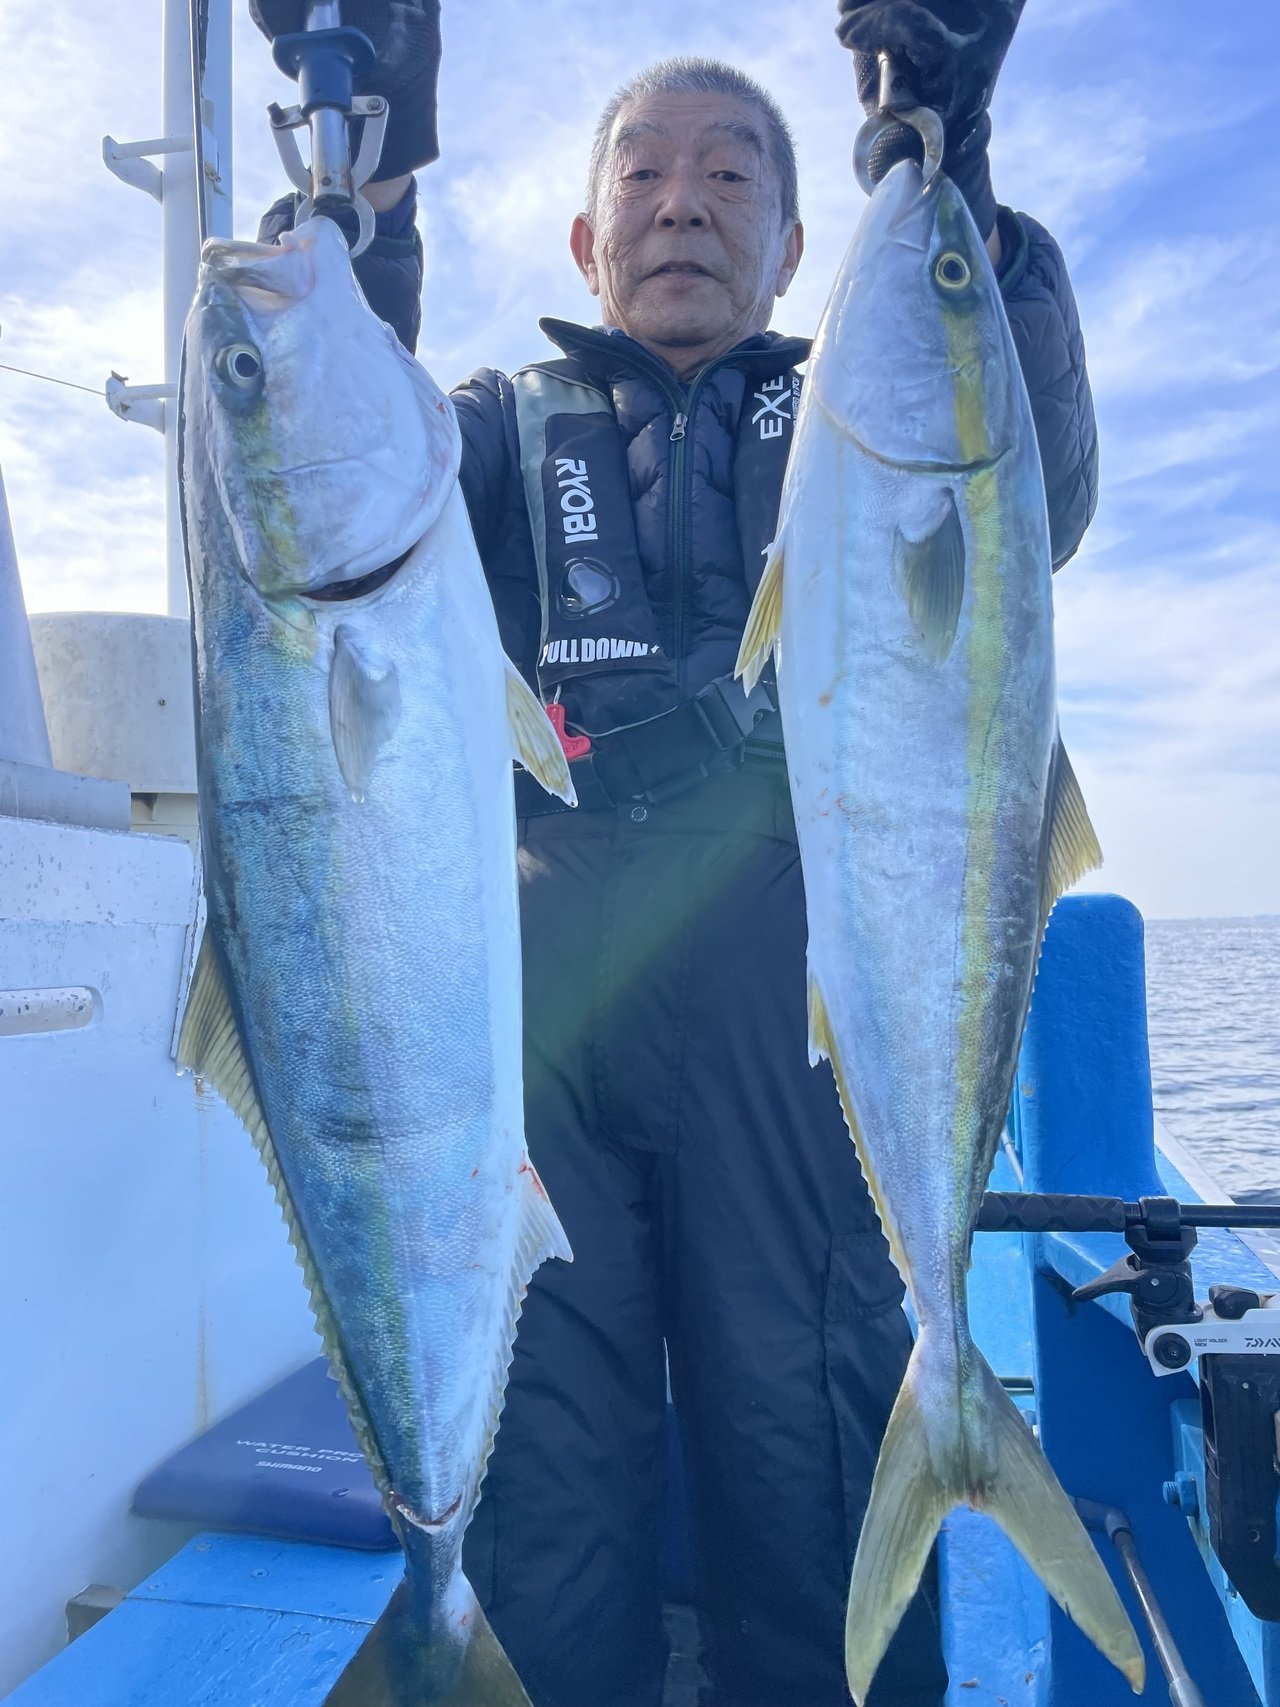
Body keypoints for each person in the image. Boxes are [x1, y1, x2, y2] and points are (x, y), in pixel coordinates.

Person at [251, 4, 1097, 1703]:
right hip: (541, 1025)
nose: (683, 203)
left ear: (792, 247)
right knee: (546, 1470)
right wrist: (369, 196)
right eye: (642, 174)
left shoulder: (867, 399)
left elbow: (1037, 492)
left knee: (802, 1433)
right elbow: (330, 451)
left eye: (730, 178)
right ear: (586, 239)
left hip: (798, 995)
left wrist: (958, 164)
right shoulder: (494, 430)